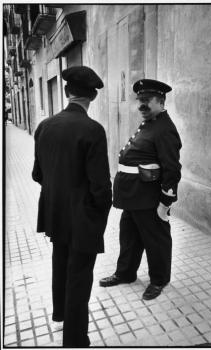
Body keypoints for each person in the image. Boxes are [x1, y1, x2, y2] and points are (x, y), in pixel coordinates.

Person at [32, 66, 112, 347]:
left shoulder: (44, 126)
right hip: (82, 218)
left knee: (60, 263)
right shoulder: (93, 130)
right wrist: (100, 216)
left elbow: (37, 175)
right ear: (92, 97)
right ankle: (75, 340)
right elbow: (101, 185)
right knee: (79, 277)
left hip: (55, 214)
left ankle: (61, 313)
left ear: (66, 93)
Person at [99, 79, 182, 300]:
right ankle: (126, 273)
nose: (141, 106)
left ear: (161, 101)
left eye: (147, 101)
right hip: (134, 197)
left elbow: (172, 168)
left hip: (149, 199)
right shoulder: (150, 122)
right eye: (140, 101)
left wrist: (165, 201)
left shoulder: (164, 128)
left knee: (156, 240)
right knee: (129, 237)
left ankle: (159, 279)